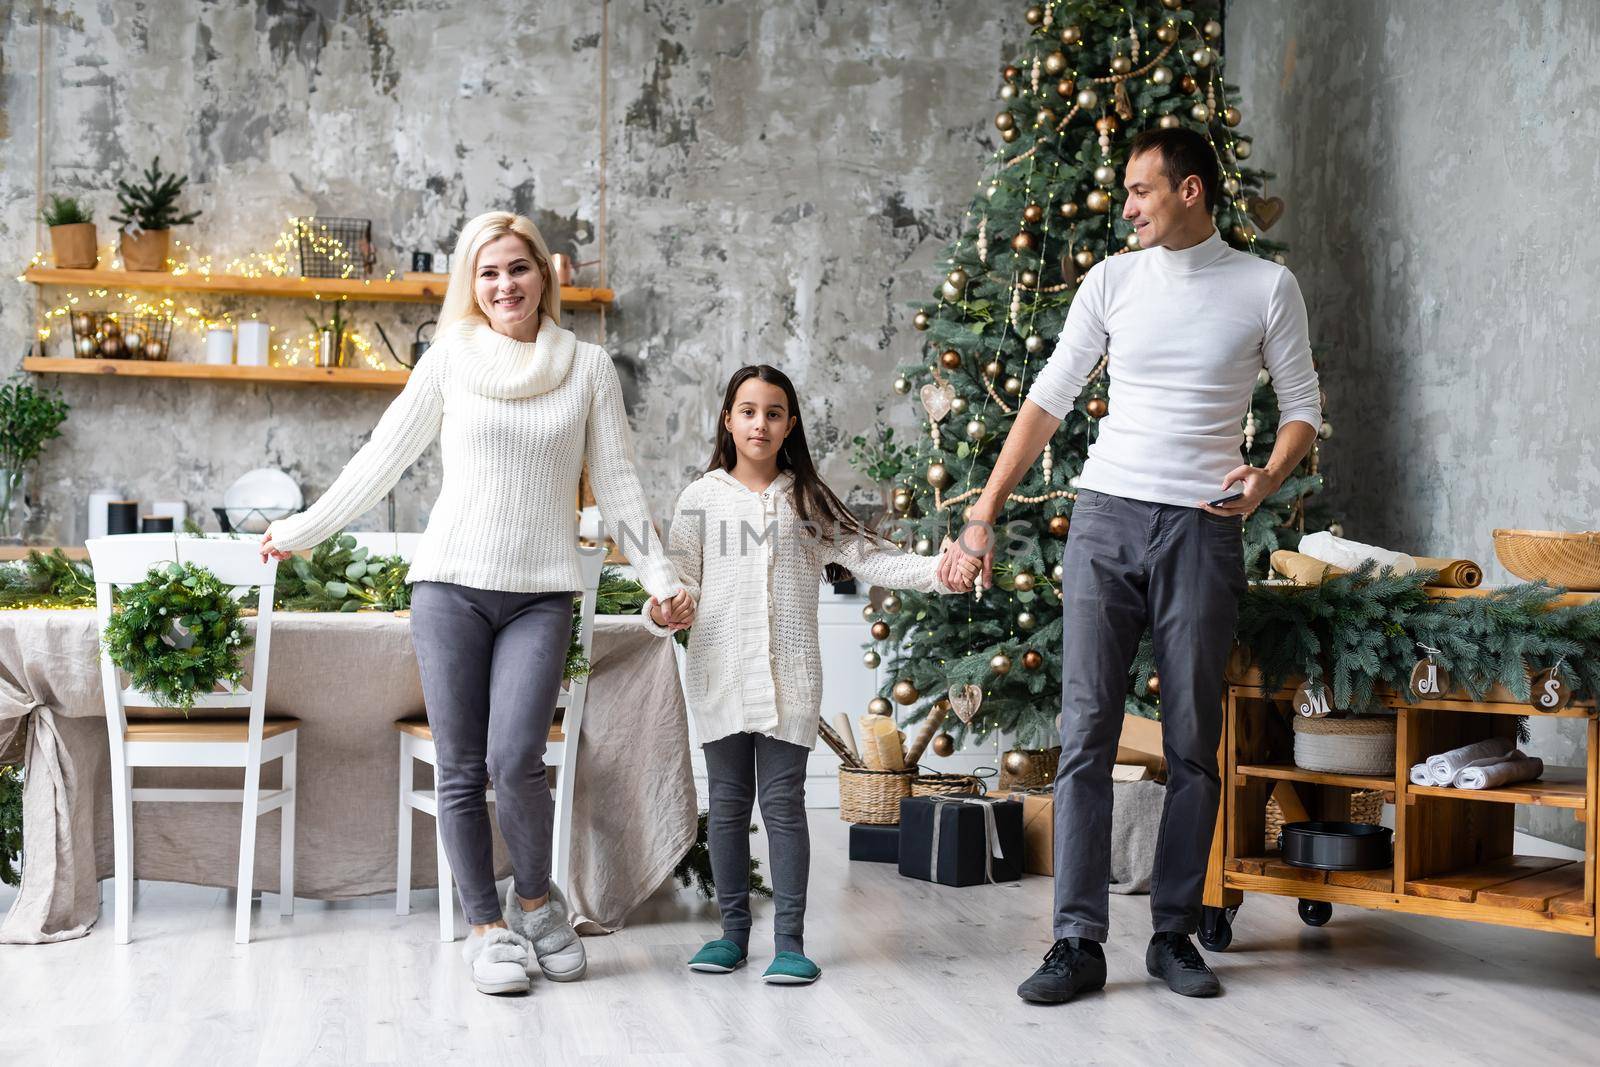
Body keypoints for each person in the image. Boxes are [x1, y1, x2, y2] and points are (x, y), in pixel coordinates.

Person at [260, 211, 694, 996]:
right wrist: (303, 529)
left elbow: (621, 485)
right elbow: (382, 456)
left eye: (517, 269)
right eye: (488, 272)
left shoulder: (587, 367)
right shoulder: (449, 359)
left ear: (543, 277)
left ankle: (537, 905)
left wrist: (663, 579)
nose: (504, 286)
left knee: (515, 760)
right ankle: (485, 927)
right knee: (461, 768)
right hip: (449, 586)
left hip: (542, 594)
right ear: (472, 281)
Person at [938, 127, 1322, 1004]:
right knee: (1086, 734)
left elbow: (1302, 407)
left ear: (1189, 191)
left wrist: (1266, 477)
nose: (1128, 206)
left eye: (1141, 190)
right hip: (1105, 518)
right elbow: (1047, 397)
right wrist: (984, 511)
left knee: (1193, 738)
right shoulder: (1112, 280)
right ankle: (1076, 938)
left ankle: (1175, 931)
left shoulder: (1265, 287)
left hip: (1202, 527)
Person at [647, 364, 977, 985]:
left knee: (783, 806)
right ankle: (731, 935)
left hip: (790, 676)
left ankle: (790, 943)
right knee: (725, 808)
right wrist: (666, 605)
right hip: (718, 670)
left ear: (790, 424)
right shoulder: (701, 498)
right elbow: (682, 576)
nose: (760, 423)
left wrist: (941, 569)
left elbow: (870, 557)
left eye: (774, 413)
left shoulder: (806, 499)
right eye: (748, 411)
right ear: (728, 419)